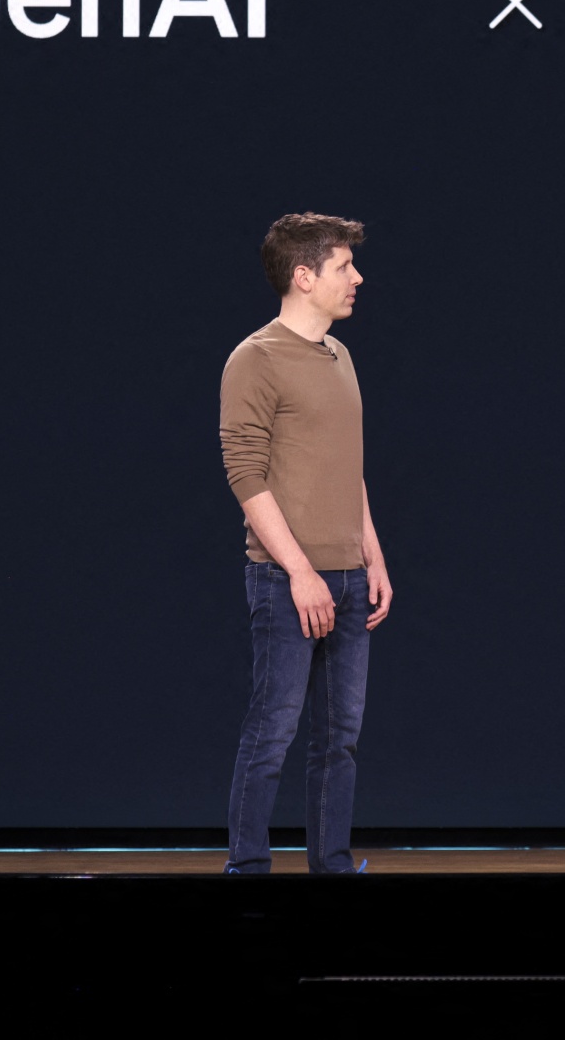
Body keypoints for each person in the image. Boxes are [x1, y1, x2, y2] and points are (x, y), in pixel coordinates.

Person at [219, 212, 394, 873]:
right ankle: (249, 871)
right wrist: (299, 572)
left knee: (339, 741)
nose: (357, 278)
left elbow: (346, 467)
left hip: (348, 576)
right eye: (344, 267)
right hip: (286, 579)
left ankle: (333, 868)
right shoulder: (255, 358)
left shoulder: (339, 356)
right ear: (304, 275)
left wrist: (371, 554)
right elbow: (245, 473)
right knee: (273, 733)